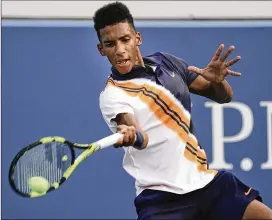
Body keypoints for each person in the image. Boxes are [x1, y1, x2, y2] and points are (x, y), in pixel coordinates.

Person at [94, 2, 272, 219]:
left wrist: (217, 82)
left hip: (206, 183)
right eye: (110, 44)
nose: (120, 50)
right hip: (161, 200)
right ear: (101, 49)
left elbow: (224, 97)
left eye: (125, 40)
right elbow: (139, 135)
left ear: (137, 38)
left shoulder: (167, 63)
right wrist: (131, 133)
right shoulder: (113, 94)